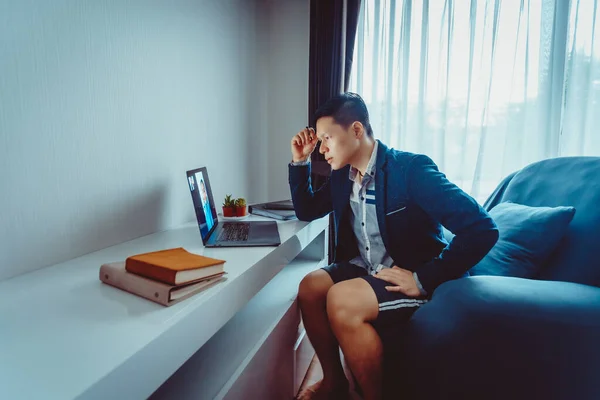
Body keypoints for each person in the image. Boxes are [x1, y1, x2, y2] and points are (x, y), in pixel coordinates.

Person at [289, 92, 499, 400]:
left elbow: (482, 228)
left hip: (413, 276)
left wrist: (422, 278)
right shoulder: (342, 176)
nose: (322, 149)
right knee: (310, 287)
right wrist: (300, 161)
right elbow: (307, 210)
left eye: (327, 139)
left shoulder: (410, 171)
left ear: (357, 131)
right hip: (368, 266)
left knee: (341, 300)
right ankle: (334, 382)